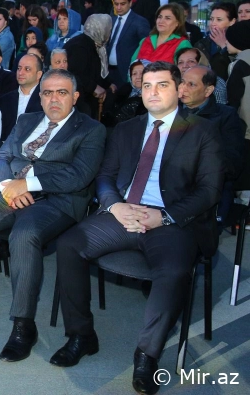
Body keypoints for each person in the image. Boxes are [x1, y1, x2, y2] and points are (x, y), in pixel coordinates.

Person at [52, 62, 222, 395]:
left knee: (174, 272)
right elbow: (105, 176)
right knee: (69, 244)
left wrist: (165, 217)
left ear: (179, 90)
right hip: (123, 213)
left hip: (171, 222)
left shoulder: (203, 130)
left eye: (162, 85)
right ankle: (81, 336)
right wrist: (115, 206)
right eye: (146, 86)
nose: (152, 92)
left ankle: (147, 354)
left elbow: (209, 191)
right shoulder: (126, 129)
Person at [0, 69, 106, 364]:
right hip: (9, 190)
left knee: (23, 236)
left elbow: (79, 176)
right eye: (47, 93)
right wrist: (6, 186)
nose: (54, 99)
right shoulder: (27, 120)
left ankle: (23, 325)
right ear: (40, 96)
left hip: (56, 199)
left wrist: (27, 184)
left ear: (75, 97)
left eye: (62, 92)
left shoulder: (91, 129)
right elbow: (1, 157)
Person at [179, 65, 245, 222]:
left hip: (207, 187)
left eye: (191, 84)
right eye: (182, 82)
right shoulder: (170, 111)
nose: (183, 88)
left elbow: (230, 163)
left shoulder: (225, 116)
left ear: (208, 90)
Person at [106, 0, 151, 88]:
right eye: (116, 4)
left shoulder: (139, 21)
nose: (119, 7)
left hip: (127, 72)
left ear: (130, 3)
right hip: (109, 72)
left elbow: (146, 47)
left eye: (122, 4)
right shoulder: (111, 20)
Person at [0, 53, 43, 143]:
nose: (21, 73)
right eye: (19, 68)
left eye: (27, 69)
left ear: (39, 74)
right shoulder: (4, 100)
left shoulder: (46, 99)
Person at [101, 59, 148, 127]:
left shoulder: (152, 97)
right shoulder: (125, 90)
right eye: (134, 74)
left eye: (142, 73)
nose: (138, 77)